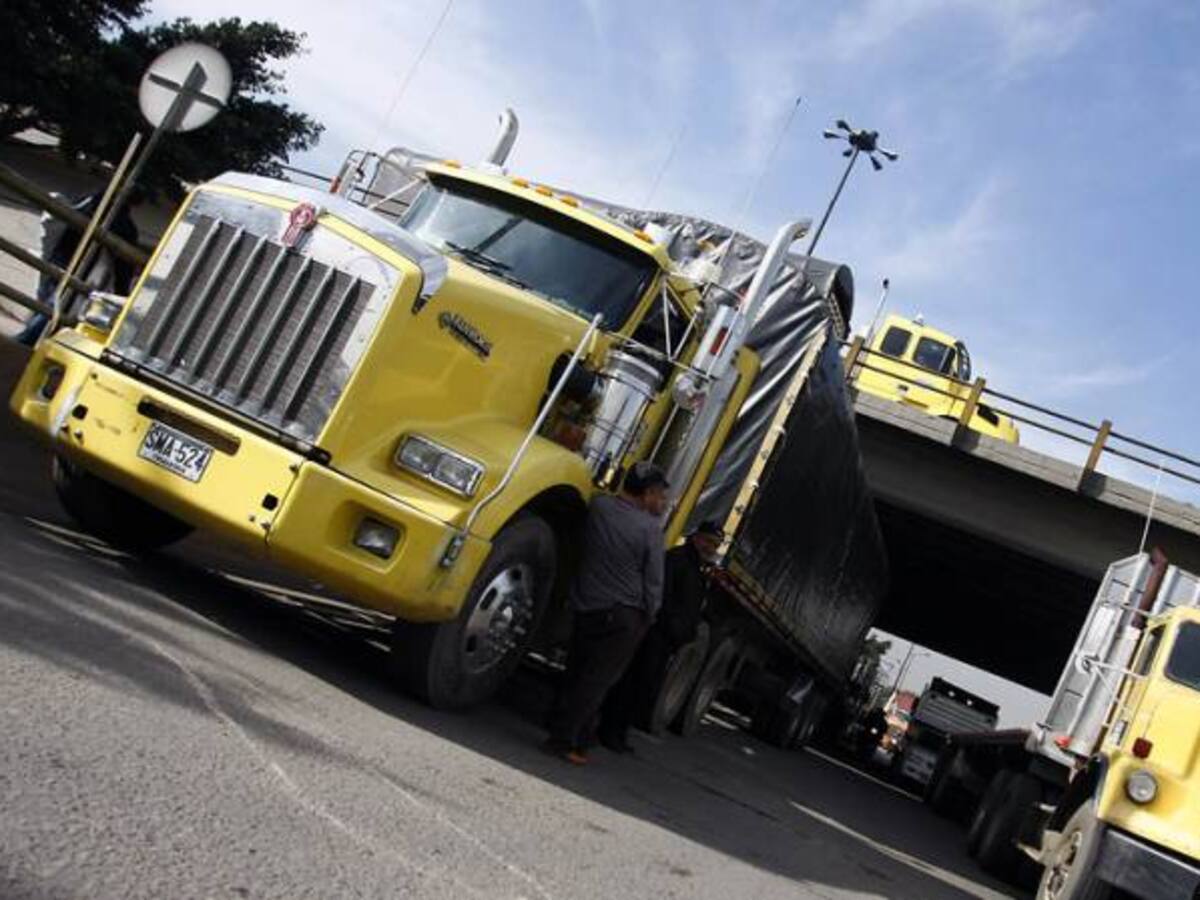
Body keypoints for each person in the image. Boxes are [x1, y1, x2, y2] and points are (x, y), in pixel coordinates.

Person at [544, 461, 669, 765]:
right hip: (624, 616)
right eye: (660, 495)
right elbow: (653, 581)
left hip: (587, 607)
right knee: (597, 681)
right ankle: (563, 740)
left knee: (577, 671)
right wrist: (650, 615)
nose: (663, 501)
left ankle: (579, 735)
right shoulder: (650, 529)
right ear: (647, 493)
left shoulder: (598, 507)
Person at [597, 520, 723, 753]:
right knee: (630, 683)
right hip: (654, 633)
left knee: (643, 687)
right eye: (708, 541)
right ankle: (608, 730)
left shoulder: (698, 569)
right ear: (696, 537)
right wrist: (672, 626)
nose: (710, 548)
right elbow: (662, 595)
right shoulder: (677, 559)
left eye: (715, 545)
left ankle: (619, 732)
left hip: (667, 640)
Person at [17, 190, 140, 346]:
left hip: (62, 258)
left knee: (48, 302)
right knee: (57, 306)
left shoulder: (88, 202)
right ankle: (26, 342)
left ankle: (26, 341)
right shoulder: (126, 227)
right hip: (83, 269)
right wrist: (121, 292)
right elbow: (123, 268)